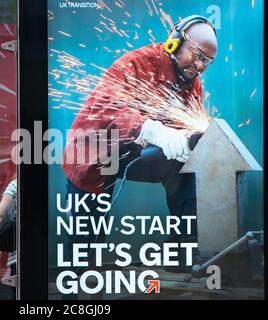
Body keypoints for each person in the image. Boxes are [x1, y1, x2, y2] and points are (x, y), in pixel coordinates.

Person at [62, 16, 218, 268]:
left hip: (134, 153)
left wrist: (190, 141)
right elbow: (108, 111)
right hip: (94, 155)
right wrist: (153, 130)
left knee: (185, 169)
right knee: (85, 243)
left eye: (207, 62)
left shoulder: (191, 82)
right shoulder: (135, 63)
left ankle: (180, 258)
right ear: (175, 42)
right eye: (197, 55)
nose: (200, 66)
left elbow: (189, 121)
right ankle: (74, 292)